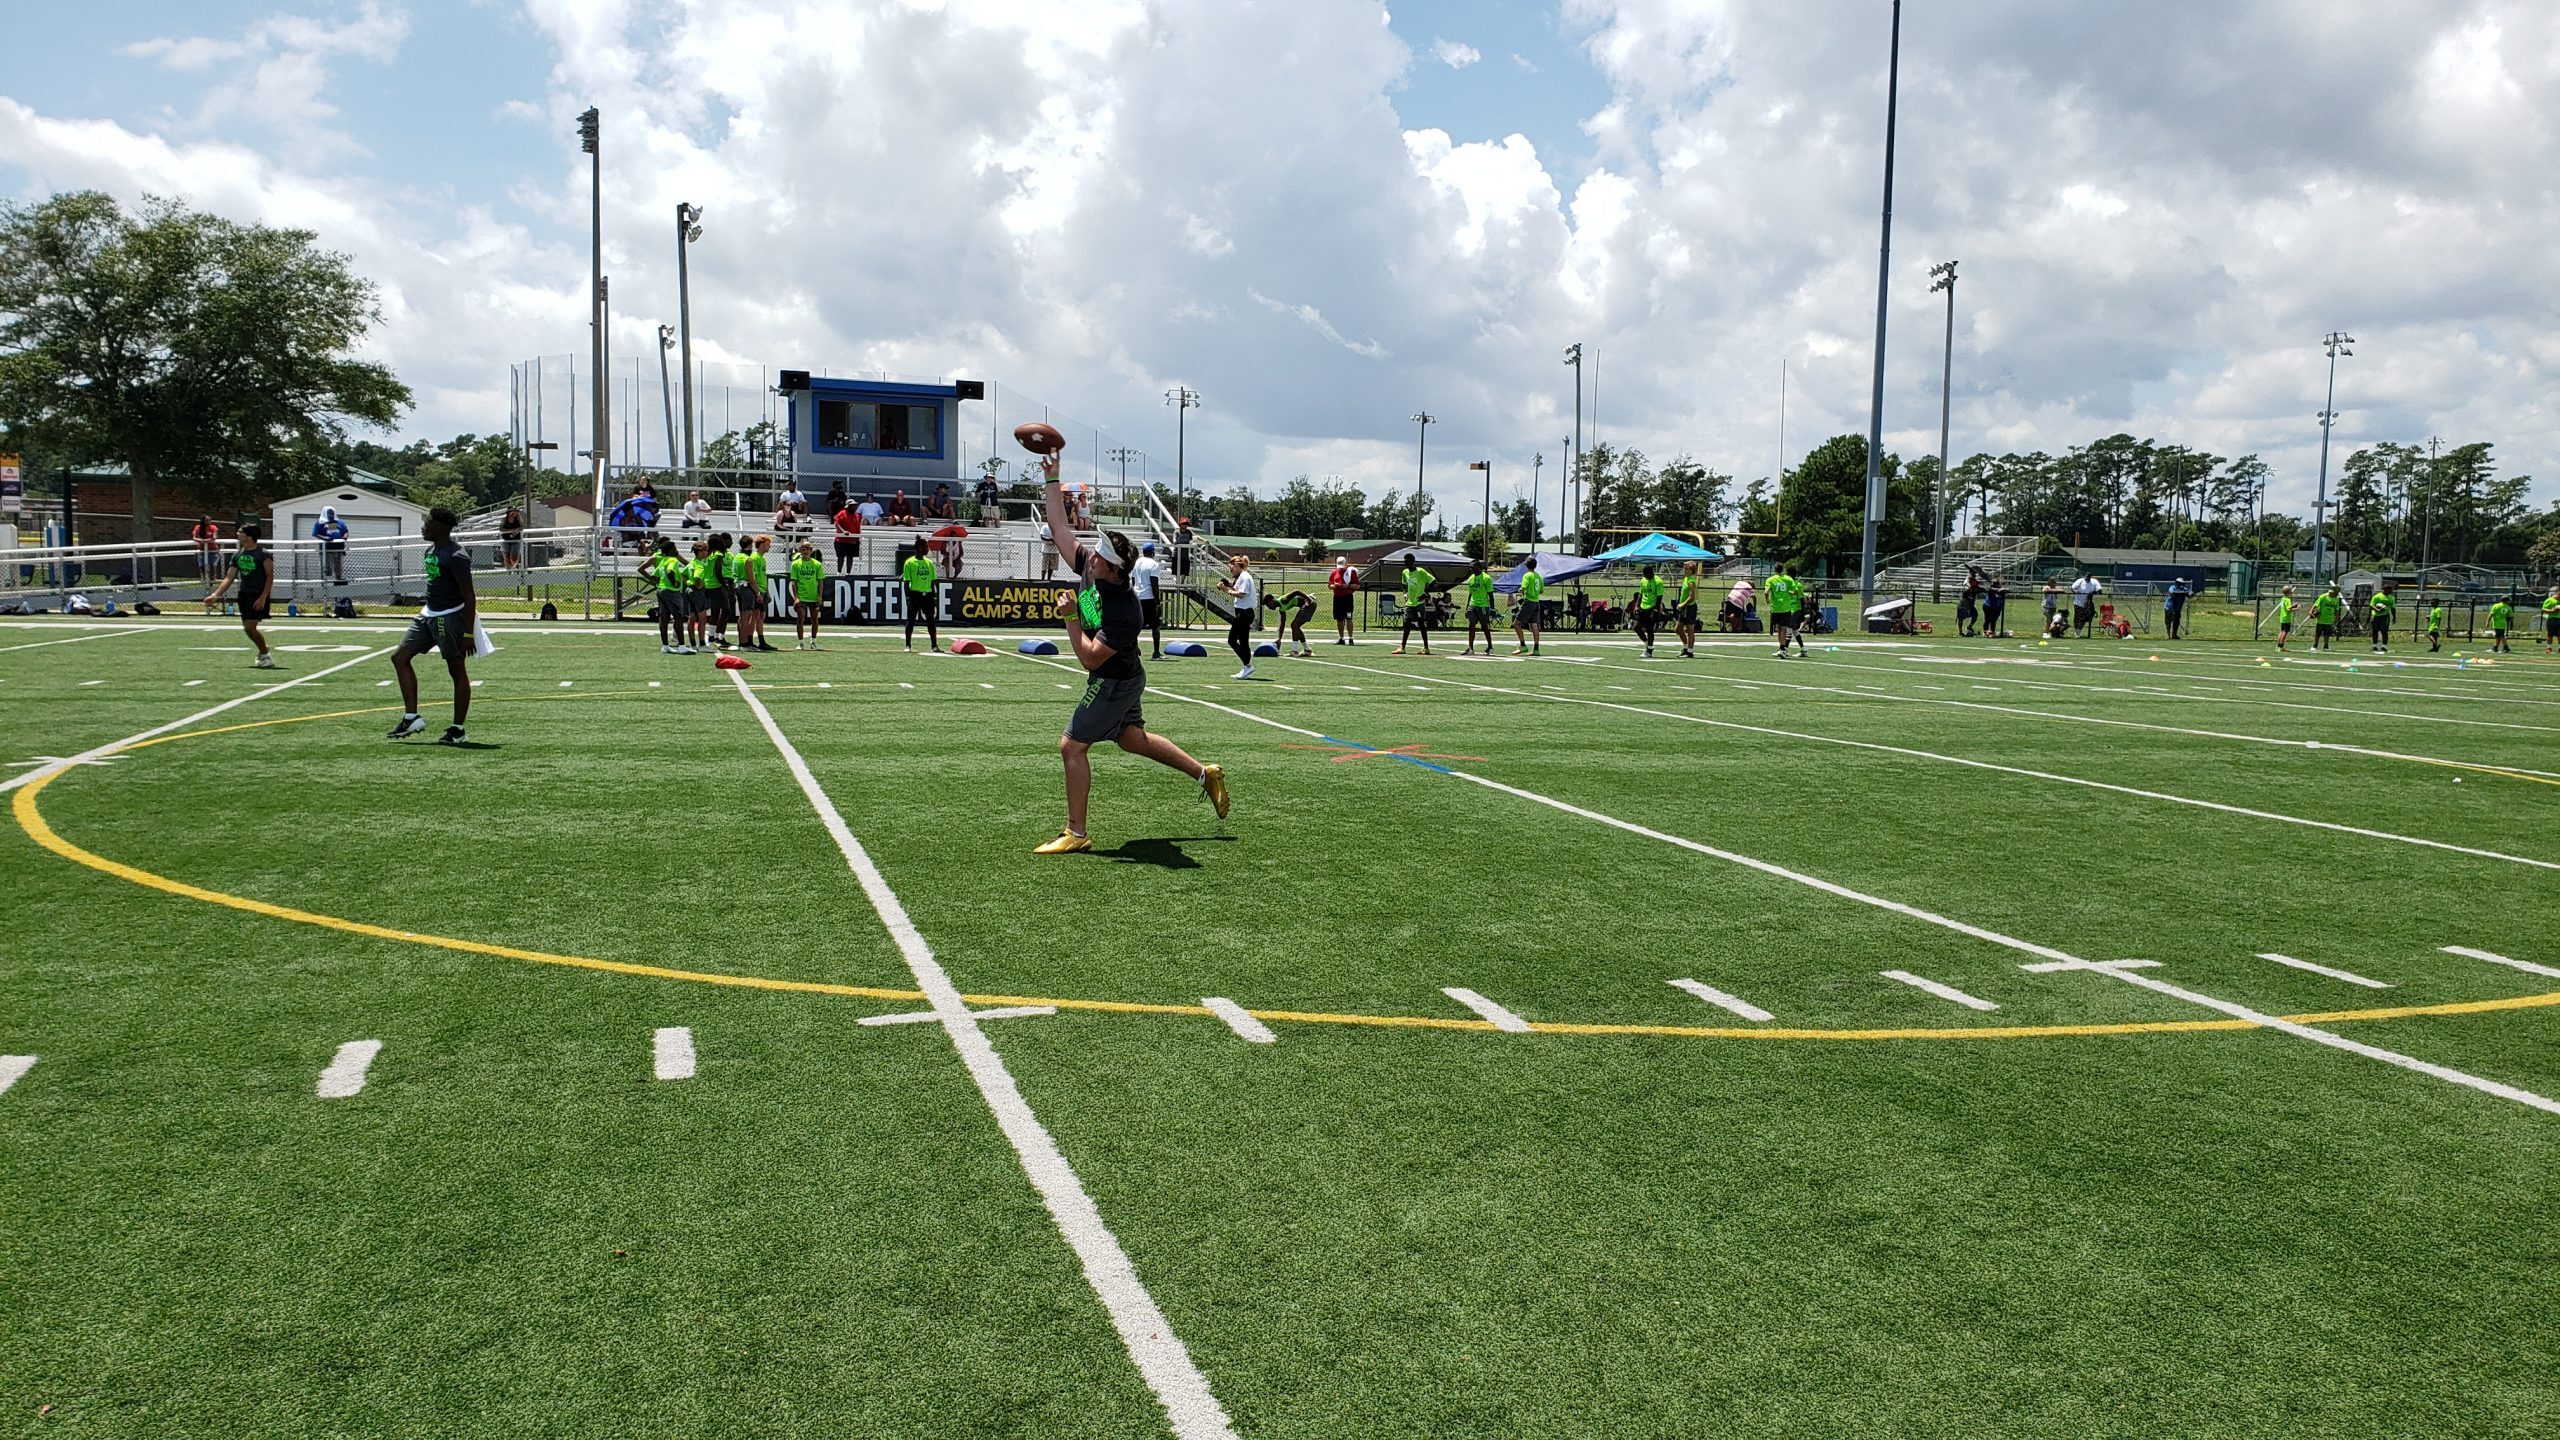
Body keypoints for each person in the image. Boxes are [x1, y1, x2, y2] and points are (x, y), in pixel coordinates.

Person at [1033, 452, 1227, 855]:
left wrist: (1070, 617)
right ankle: (1204, 774)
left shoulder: (1125, 611)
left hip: (1115, 679)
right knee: (1133, 740)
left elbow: (1089, 658)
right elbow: (1057, 526)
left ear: (1118, 570)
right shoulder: (1092, 564)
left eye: (1104, 554)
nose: (1094, 554)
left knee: (1071, 745)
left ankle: (1077, 833)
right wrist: (1053, 477)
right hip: (1124, 675)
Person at [387, 507, 477, 745]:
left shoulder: (457, 556)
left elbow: (469, 596)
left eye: (427, 523)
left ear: (439, 527)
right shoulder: (430, 549)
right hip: (428, 614)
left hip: (450, 617)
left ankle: (457, 729)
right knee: (400, 657)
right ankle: (411, 717)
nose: (423, 526)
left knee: (456, 670)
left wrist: (468, 633)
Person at [205, 520, 278, 668]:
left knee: (250, 626)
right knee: (247, 628)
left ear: (249, 536)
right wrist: (215, 595)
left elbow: (269, 577)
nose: (237, 534)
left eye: (240, 532)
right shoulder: (237, 554)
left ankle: (265, 654)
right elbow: (229, 577)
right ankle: (263, 651)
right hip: (244, 594)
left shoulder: (263, 554)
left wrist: (263, 597)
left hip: (258, 594)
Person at [646, 537, 693, 654]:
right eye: (674, 548)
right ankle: (681, 645)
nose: (676, 550)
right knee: (678, 617)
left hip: (661, 589)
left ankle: (665, 645)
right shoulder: (672, 560)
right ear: (670, 550)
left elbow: (655, 575)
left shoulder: (662, 560)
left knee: (664, 617)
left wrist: (658, 582)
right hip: (671, 591)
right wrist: (675, 582)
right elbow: (670, 572)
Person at [1217, 553, 1260, 678]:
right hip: (1243, 612)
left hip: (1245, 613)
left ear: (1236, 565)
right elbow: (1236, 586)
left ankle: (1248, 665)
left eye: (1231, 568)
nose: (1230, 571)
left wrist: (1227, 590)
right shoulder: (1241, 576)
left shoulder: (1245, 577)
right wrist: (1227, 585)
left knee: (1232, 640)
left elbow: (1241, 594)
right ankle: (1246, 667)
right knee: (1243, 641)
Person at [1391, 553, 1434, 655]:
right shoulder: (1405, 572)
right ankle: (1402, 647)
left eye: (1407, 561)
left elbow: (1433, 581)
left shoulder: (1421, 572)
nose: (1406, 563)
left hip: (1419, 603)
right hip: (1409, 603)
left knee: (1421, 624)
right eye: (1404, 561)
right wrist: (1405, 593)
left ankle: (1426, 648)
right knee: (1407, 624)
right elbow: (1404, 584)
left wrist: (1425, 594)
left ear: (1412, 561)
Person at [901, 538, 940, 652]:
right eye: (926, 547)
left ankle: (934, 645)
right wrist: (907, 597)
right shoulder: (909, 562)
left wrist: (934, 597)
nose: (928, 549)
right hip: (915, 594)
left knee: (930, 620)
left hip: (927, 595)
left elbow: (933, 582)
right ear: (920, 548)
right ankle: (908, 645)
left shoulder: (929, 563)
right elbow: (906, 582)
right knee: (911, 620)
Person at [1131, 541, 1166, 659]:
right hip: (1149, 598)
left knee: (1136, 626)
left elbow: (1133, 582)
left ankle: (1133, 648)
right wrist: (1158, 602)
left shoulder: (1136, 563)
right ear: (1152, 552)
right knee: (1155, 626)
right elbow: (1154, 584)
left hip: (1137, 597)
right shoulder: (1153, 564)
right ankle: (1156, 652)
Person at [1457, 559, 1497, 655]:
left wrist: (1492, 608)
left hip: (1483, 606)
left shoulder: (1486, 578)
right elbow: (1470, 594)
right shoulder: (1471, 578)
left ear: (1478, 568)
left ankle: (1490, 646)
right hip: (1473, 605)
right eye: (1470, 568)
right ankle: (1470, 648)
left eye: (1472, 568)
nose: (1471, 569)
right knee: (1471, 625)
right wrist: (1467, 607)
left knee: (1484, 627)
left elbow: (1491, 595)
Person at [790, 542, 825, 650]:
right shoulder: (795, 564)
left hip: (813, 596)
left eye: (807, 549)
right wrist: (796, 597)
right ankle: (800, 642)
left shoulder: (817, 564)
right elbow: (794, 582)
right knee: (800, 618)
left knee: (815, 619)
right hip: (802, 596)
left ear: (811, 550)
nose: (805, 551)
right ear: (800, 550)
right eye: (803, 548)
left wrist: (819, 596)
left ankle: (813, 641)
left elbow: (820, 581)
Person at [1764, 563, 1802, 660]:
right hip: (1786, 607)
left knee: (1779, 628)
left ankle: (1781, 649)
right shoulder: (1788, 579)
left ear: (1774, 570)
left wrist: (1767, 599)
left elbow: (1766, 591)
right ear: (1782, 570)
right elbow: (1795, 591)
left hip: (1775, 608)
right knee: (1784, 628)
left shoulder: (1770, 579)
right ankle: (1782, 649)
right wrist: (1788, 592)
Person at [1265, 586, 1316, 657]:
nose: (1268, 607)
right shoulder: (1281, 609)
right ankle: (1307, 650)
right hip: (1305, 606)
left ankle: (1295, 651)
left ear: (1271, 601)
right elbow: (1282, 624)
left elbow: (1296, 591)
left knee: (1294, 625)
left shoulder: (1283, 600)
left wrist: (1308, 599)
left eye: (1268, 604)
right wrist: (1279, 639)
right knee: (1295, 626)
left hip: (1309, 604)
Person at [1513, 556, 1546, 656]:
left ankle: (1523, 645)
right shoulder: (1538, 576)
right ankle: (1536, 649)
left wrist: (1521, 590)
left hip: (1529, 602)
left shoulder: (1527, 576)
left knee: (1516, 623)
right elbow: (1541, 590)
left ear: (1526, 565)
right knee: (1534, 625)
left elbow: (1523, 588)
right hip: (1536, 602)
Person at [1633, 564, 1666, 658]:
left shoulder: (1658, 582)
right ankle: (1647, 643)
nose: (1644, 576)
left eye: (1646, 574)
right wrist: (1637, 606)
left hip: (1652, 607)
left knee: (1649, 629)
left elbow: (1659, 596)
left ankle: (1649, 650)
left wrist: (1656, 609)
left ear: (1651, 573)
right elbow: (1640, 594)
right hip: (1643, 607)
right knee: (1636, 627)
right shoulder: (1643, 580)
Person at [312, 505, 350, 584]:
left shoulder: (339, 522)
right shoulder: (320, 523)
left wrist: (344, 537)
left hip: (339, 548)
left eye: (333, 513)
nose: (331, 515)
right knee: (327, 567)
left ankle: (339, 579)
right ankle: (326, 582)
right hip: (327, 549)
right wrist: (324, 538)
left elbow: (345, 531)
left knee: (339, 566)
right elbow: (315, 534)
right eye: (329, 513)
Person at [1329, 558, 1361, 644]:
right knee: (1339, 619)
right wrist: (1335, 586)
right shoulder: (1334, 572)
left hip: (1347, 598)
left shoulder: (1351, 572)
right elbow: (1330, 585)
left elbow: (1357, 585)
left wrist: (1347, 586)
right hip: (1338, 598)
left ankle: (1351, 638)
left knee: (1349, 617)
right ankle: (1341, 638)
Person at [1674, 561, 1702, 658]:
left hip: (1690, 608)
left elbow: (1692, 597)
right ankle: (1686, 647)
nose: (1685, 570)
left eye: (1687, 569)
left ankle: (1690, 651)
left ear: (1692, 570)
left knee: (1690, 629)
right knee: (1678, 629)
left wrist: (1682, 604)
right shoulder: (1686, 579)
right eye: (1684, 568)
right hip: (1684, 608)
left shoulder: (1691, 581)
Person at [831, 500, 862, 574]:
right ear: (848, 506)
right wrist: (843, 531)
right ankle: (839, 572)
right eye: (852, 505)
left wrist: (859, 536)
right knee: (841, 557)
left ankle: (848, 573)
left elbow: (858, 527)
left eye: (855, 505)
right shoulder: (842, 513)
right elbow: (837, 524)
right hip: (841, 540)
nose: (854, 507)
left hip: (852, 541)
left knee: (850, 557)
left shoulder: (857, 515)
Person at [2311, 582, 2341, 651]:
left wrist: (2336, 618)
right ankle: (2315, 645)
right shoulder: (2323, 596)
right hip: (2321, 618)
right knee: (2318, 633)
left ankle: (2326, 646)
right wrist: (2311, 611)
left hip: (2329, 619)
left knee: (2327, 634)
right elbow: (2315, 605)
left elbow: (2336, 610)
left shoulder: (2336, 599)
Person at [2069, 573, 2101, 638]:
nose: (2087, 578)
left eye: (2088, 577)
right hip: (2078, 603)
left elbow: (2099, 590)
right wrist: (2076, 592)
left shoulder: (2094, 581)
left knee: (2084, 619)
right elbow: (2072, 588)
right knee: (2077, 618)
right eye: (2086, 577)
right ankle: (2076, 632)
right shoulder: (2080, 581)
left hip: (2088, 604)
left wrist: (2093, 592)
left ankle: (2079, 632)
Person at [2366, 583, 2395, 653]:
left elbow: (2393, 608)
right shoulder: (2377, 596)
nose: (2391, 591)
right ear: (2385, 589)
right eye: (2390, 590)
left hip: (2385, 616)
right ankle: (2374, 646)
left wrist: (2394, 617)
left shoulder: (2391, 598)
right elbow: (2371, 605)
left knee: (2384, 631)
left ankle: (2384, 647)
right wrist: (2377, 609)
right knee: (2375, 631)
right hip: (2376, 616)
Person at [2272, 584, 2297, 651]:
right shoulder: (2288, 600)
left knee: (2282, 631)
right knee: (2285, 632)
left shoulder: (2283, 599)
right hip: (2286, 618)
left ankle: (2278, 646)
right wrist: (2296, 607)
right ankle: (2281, 646)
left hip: (2282, 617)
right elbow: (2289, 609)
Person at [2543, 586, 2560, 653]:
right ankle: (2548, 647)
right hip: (2552, 619)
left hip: (2559, 619)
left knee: (2559, 635)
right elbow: (2543, 609)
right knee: (2550, 634)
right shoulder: (2549, 600)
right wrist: (2552, 611)